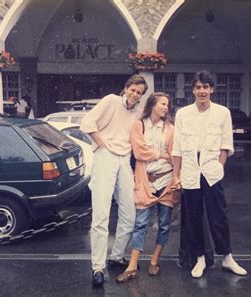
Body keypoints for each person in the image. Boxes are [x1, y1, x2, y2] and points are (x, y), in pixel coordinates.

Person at [171, 70, 247, 278]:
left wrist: (220, 167)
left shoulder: (222, 112)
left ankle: (227, 258)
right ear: (193, 90)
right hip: (189, 170)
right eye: (198, 87)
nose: (202, 91)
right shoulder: (183, 114)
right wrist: (176, 175)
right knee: (193, 216)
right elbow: (177, 148)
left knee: (218, 216)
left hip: (211, 170)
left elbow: (225, 144)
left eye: (205, 87)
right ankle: (200, 259)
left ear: (211, 89)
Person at [80, 74, 148, 287]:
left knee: (129, 212)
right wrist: (101, 143)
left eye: (139, 93)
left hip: (124, 160)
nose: (135, 94)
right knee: (101, 214)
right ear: (126, 88)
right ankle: (97, 267)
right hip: (106, 156)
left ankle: (116, 255)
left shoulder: (137, 113)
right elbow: (87, 123)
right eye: (133, 90)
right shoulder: (110, 100)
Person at [115, 92, 180, 283]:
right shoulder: (139, 125)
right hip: (146, 181)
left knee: (164, 223)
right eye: (162, 104)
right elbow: (139, 151)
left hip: (166, 181)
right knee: (140, 223)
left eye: (167, 104)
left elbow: (175, 154)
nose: (166, 107)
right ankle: (133, 265)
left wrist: (176, 175)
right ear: (152, 105)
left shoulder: (170, 128)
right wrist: (162, 155)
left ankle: (154, 259)